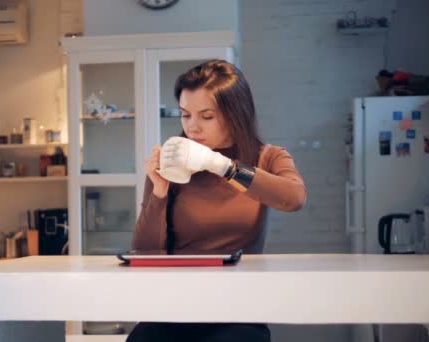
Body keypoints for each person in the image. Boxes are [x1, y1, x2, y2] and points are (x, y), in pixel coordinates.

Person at [127, 60, 307, 342]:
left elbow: (294, 198)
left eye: (206, 116)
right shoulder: (172, 163)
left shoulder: (268, 157)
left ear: (236, 115)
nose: (192, 128)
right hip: (174, 308)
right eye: (185, 115)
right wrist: (159, 192)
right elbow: (144, 251)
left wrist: (221, 165)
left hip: (238, 309)